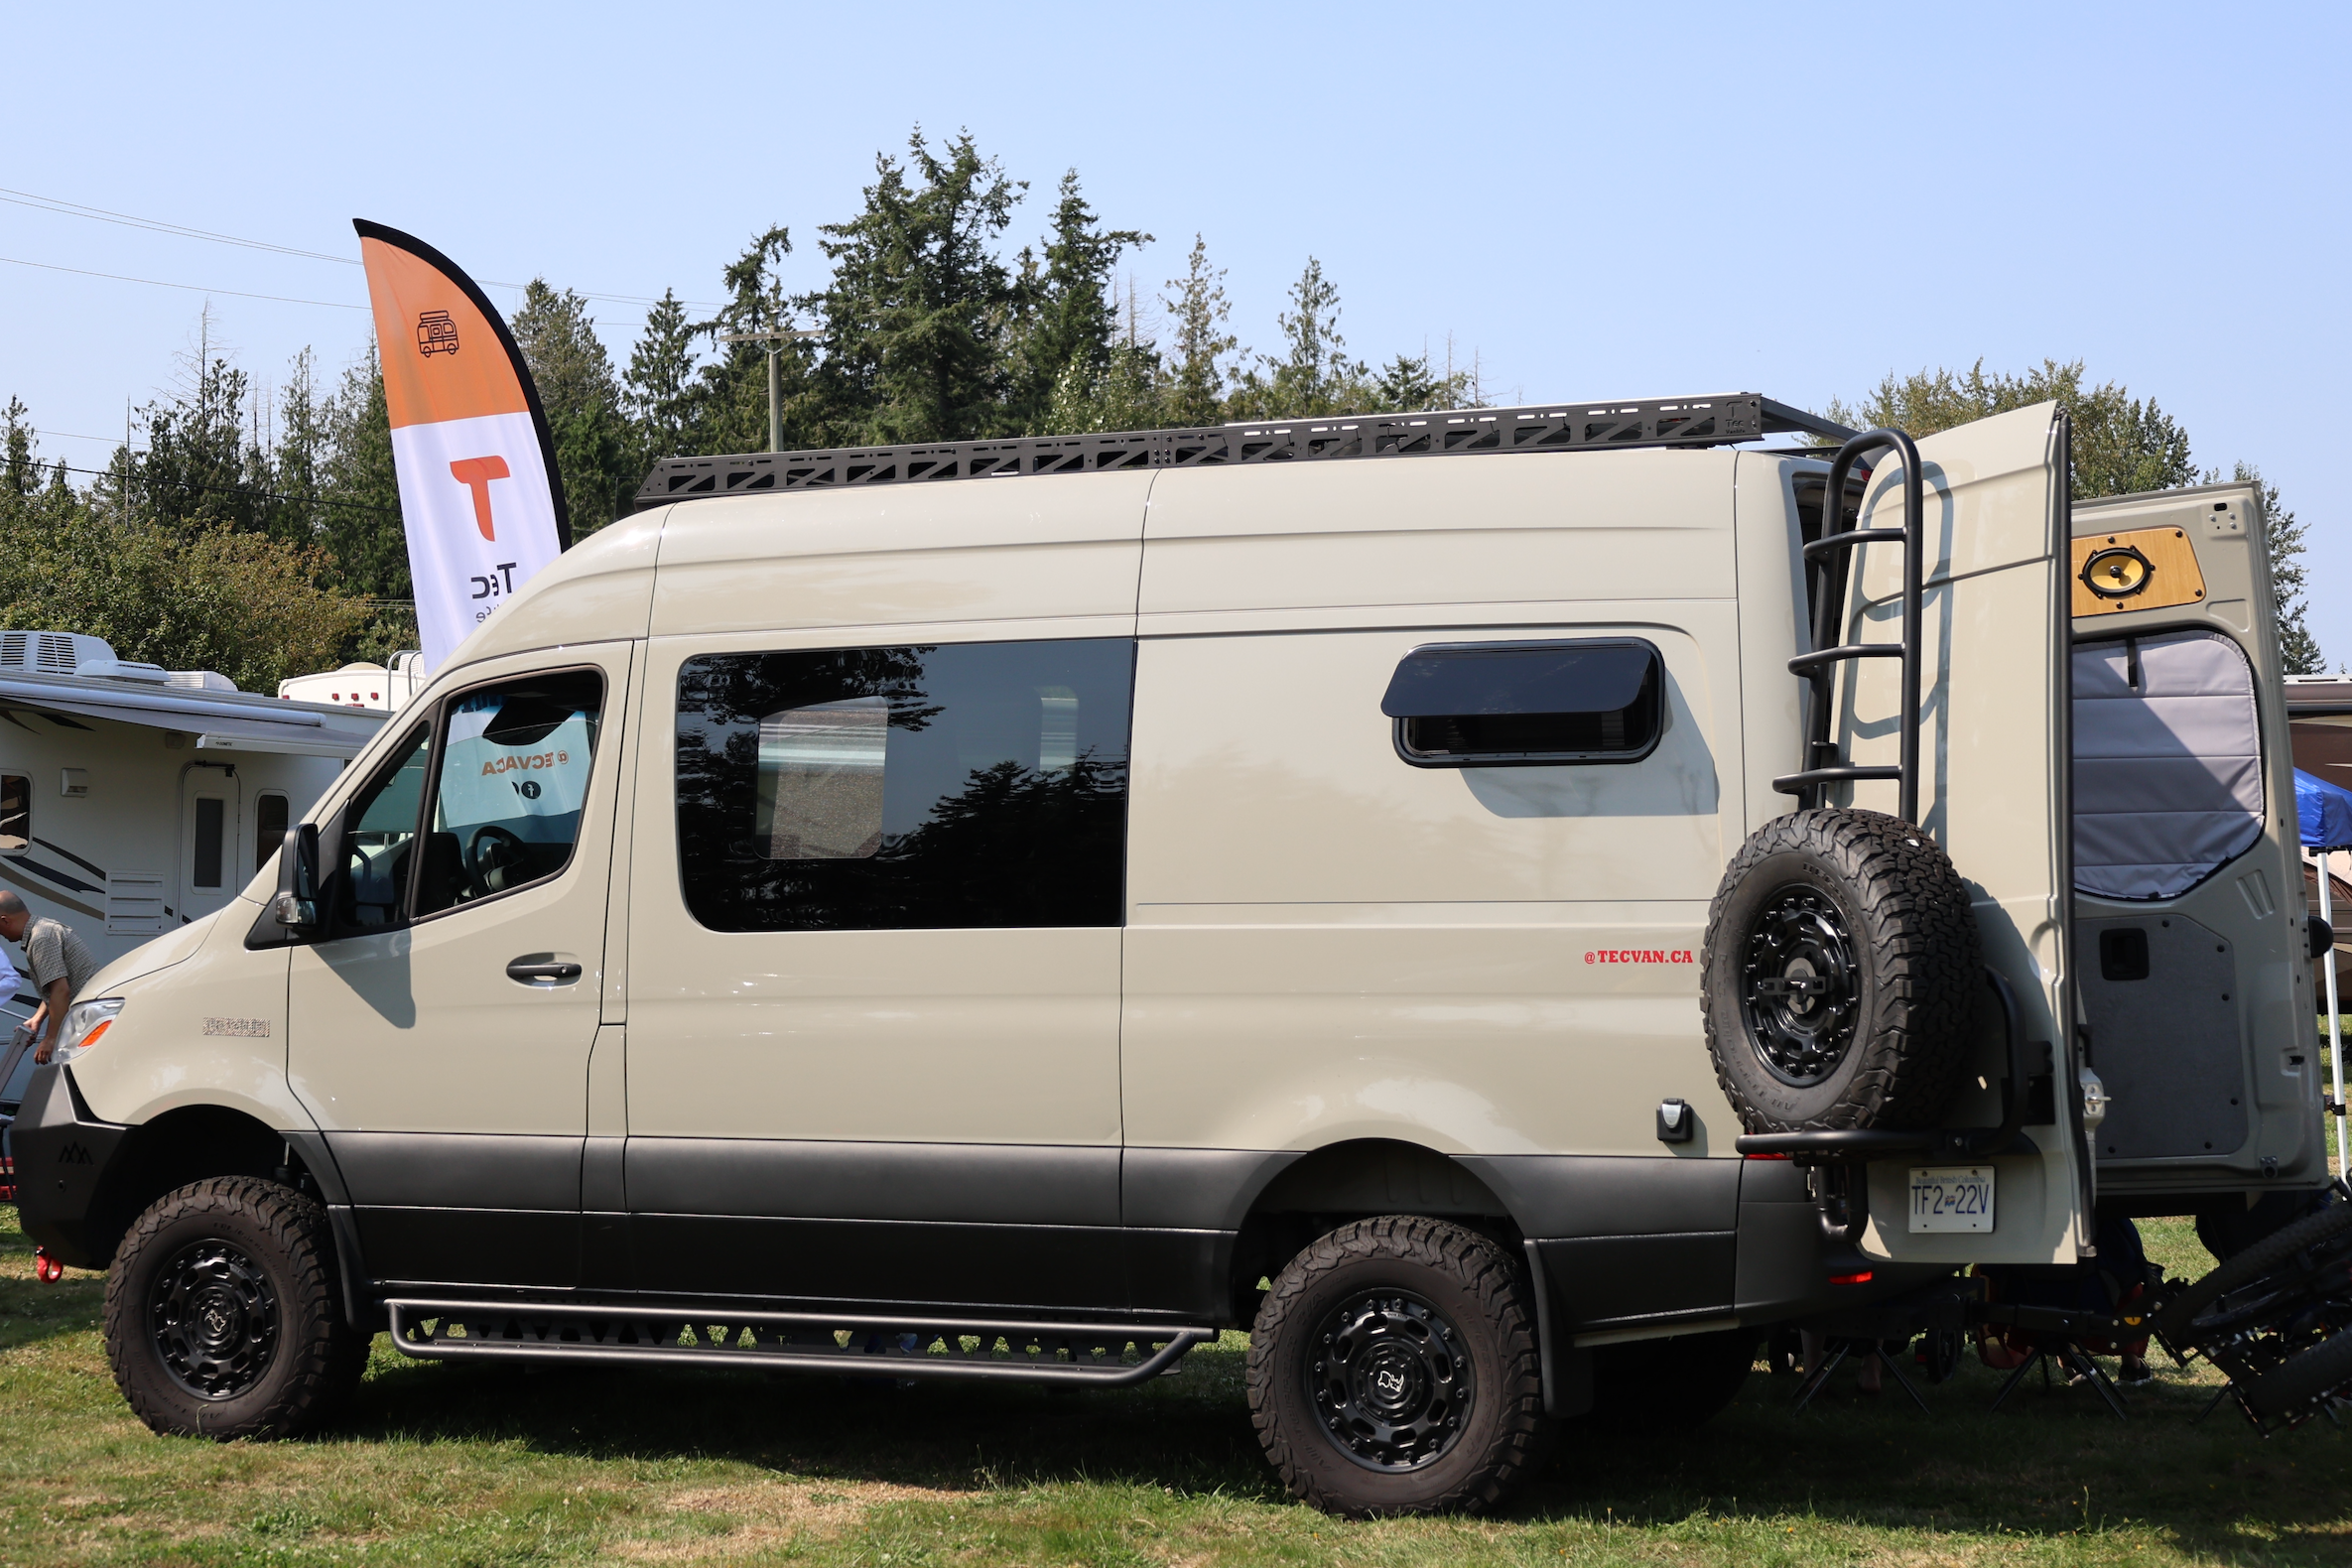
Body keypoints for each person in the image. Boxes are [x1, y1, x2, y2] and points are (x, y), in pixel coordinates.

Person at [0, 891, 97, 1066]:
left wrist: (50, 1039)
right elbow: (55, 988)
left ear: (5, 920)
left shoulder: (41, 938)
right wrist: (37, 1019)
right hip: (86, 1016)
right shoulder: (43, 930)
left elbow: (61, 991)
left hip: (88, 1019)